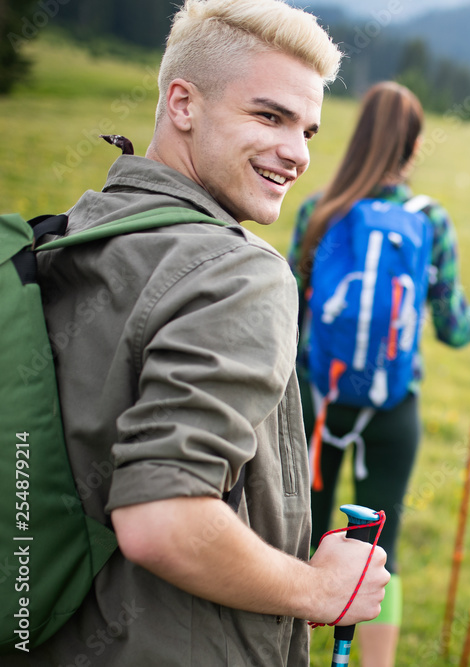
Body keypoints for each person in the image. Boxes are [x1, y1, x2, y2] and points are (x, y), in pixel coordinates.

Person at [20, 1, 390, 665]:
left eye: (308, 129)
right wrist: (320, 588)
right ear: (183, 104)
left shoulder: (61, 237)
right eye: (269, 116)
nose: (297, 153)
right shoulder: (239, 271)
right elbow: (163, 517)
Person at [287, 80, 470, 667]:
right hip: (392, 412)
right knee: (377, 551)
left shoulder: (318, 210)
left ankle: (283, 651)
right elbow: (453, 327)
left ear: (359, 135)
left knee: (297, 535)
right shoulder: (429, 220)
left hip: (316, 404)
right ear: (412, 147)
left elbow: (289, 309)